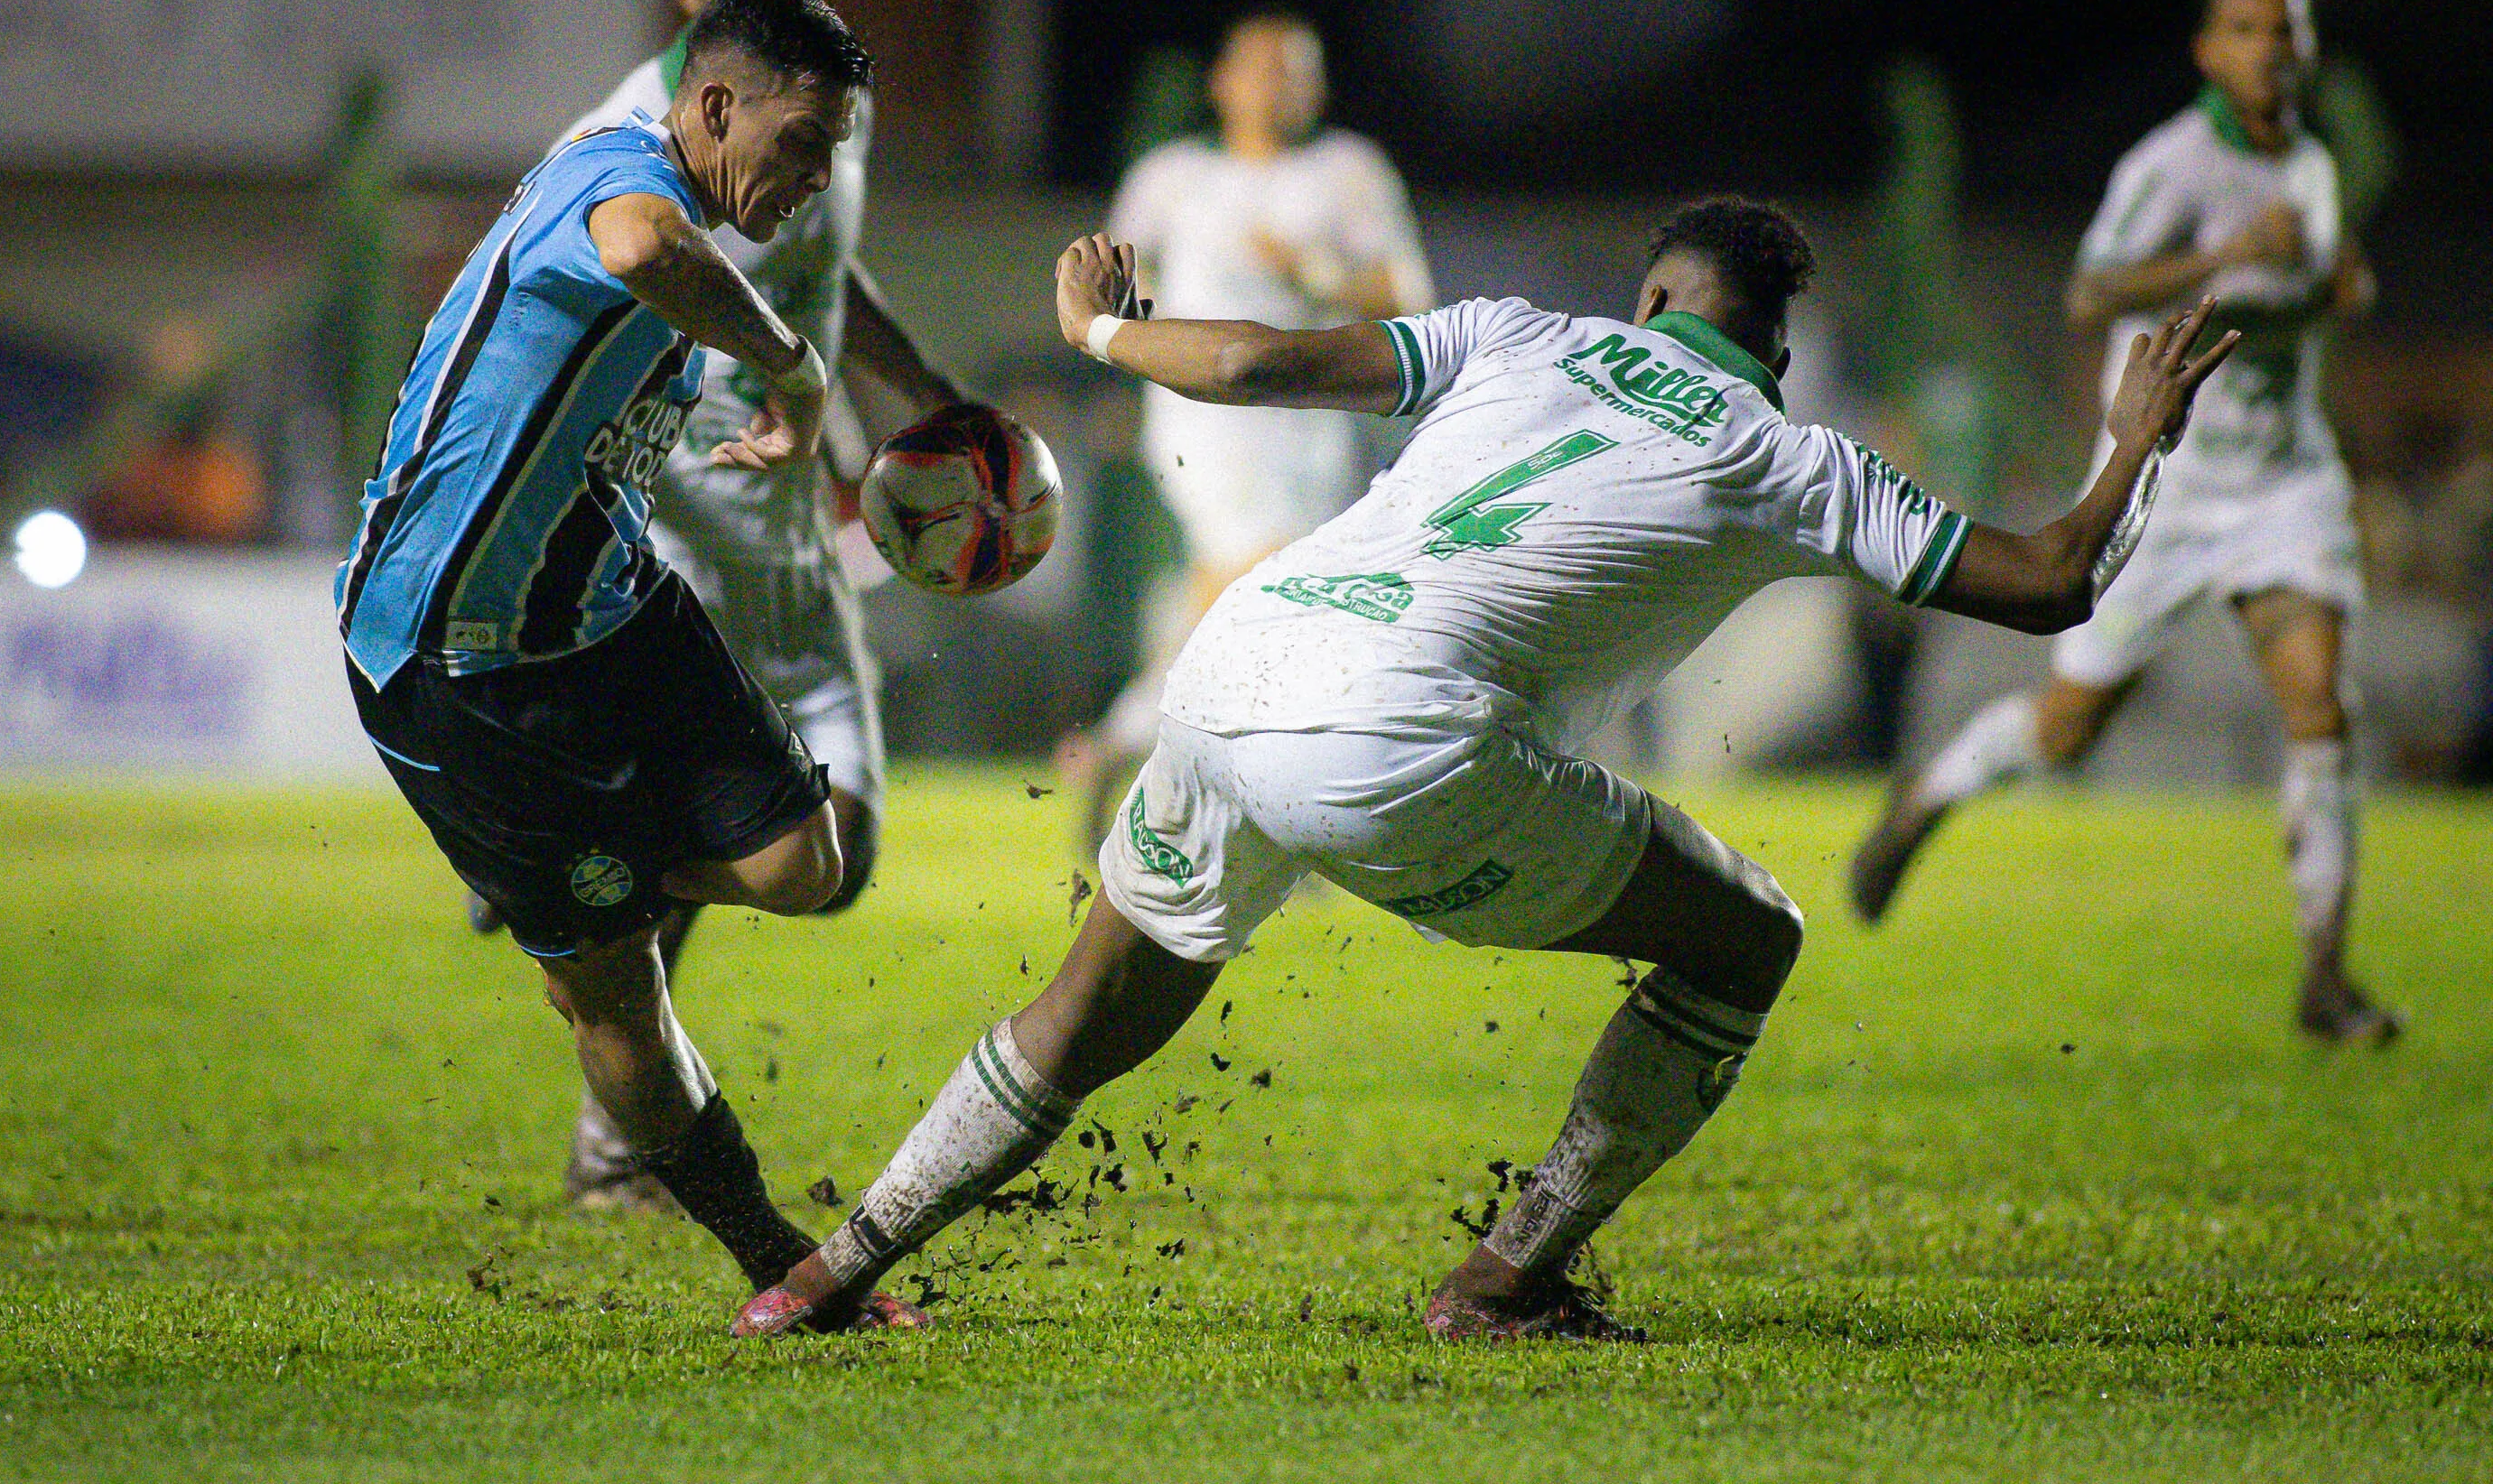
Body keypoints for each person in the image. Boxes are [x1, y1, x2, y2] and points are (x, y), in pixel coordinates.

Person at [729, 199, 2237, 1340]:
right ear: (1770, 352)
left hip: (1236, 664)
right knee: (1751, 935)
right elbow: (2047, 582)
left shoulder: (1524, 333)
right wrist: (2131, 447)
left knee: (1089, 1006)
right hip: (1402, 738)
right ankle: (1511, 1274)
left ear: (1651, 297)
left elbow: (1250, 360)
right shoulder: (1793, 457)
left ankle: (828, 1273)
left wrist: (1102, 335)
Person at [337, 0, 920, 1325]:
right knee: (620, 998)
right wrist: (795, 367)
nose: (816, 183)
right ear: (714, 106)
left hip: (608, 605)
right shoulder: (614, 178)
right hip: (452, 660)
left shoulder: (676, 200)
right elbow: (644, 247)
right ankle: (780, 1260)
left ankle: (572, 879)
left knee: (806, 858)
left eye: (835, 158)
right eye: (801, 148)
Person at [477, 0, 971, 1212]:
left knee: (839, 862)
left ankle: (585, 865)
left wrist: (908, 396)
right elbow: (595, 293)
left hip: (792, 563)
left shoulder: (807, 105)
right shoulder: (638, 140)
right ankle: (616, 1130)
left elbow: (818, 267)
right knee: (743, 851)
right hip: (678, 549)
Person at [1846, 0, 2402, 1047]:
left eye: (2287, 31)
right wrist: (2228, 256)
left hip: (2286, 478)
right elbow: (2091, 289)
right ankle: (1932, 788)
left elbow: (2308, 292)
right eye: (2247, 31)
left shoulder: (2313, 167)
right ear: (2208, 50)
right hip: (2176, 481)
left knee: (2322, 711)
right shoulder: (2175, 163)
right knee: (2067, 731)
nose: (2272, 52)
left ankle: (2325, 979)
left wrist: (2342, 287)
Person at [1057, 12, 1431, 836]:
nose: (1278, 85)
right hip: (1207, 422)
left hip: (1313, 420)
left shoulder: (1347, 169)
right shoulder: (1173, 175)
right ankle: (1248, 793)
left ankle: (1136, 740)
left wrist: (1312, 272)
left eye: (1296, 71)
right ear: (1223, 80)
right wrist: (1130, 332)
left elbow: (1405, 298)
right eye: (1263, 67)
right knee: (1259, 582)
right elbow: (1121, 279)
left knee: (1270, 603)